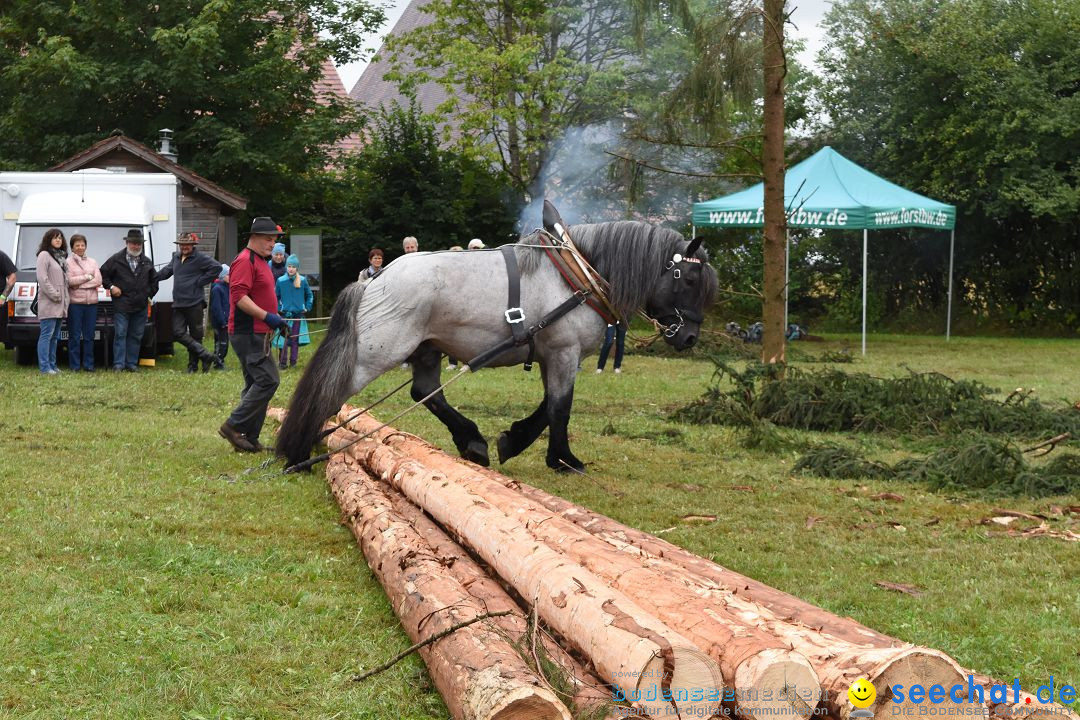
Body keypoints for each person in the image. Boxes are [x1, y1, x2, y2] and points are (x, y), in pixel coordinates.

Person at [219, 217, 290, 453]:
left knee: (254, 384)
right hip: (247, 332)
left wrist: (275, 318)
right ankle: (232, 426)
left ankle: (249, 439)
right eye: (268, 239)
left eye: (274, 240)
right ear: (254, 237)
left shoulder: (260, 261)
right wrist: (266, 317)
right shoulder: (244, 261)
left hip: (258, 331)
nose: (273, 244)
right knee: (268, 380)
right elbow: (240, 298)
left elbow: (261, 296)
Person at [155, 232, 223, 372]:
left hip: (194, 302)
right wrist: (152, 276)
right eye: (182, 244)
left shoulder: (200, 258)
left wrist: (200, 282)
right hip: (178, 302)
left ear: (193, 245)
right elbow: (166, 272)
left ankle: (192, 367)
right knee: (177, 333)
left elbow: (217, 268)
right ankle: (206, 355)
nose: (184, 247)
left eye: (187, 244)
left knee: (196, 335)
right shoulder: (176, 257)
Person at [100, 229, 159, 372]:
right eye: (133, 243)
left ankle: (131, 364)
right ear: (127, 243)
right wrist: (112, 287)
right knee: (120, 334)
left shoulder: (147, 262)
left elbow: (154, 282)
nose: (136, 246)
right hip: (122, 305)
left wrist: (147, 294)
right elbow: (103, 275)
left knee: (136, 335)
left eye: (138, 243)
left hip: (141, 306)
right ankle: (119, 364)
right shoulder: (116, 259)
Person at [34, 228, 69, 374]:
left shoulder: (61, 257)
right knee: (46, 335)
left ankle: (53, 365)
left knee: (55, 337)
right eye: (55, 237)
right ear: (48, 240)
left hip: (60, 303)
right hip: (49, 301)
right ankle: (44, 367)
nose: (58, 240)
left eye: (60, 237)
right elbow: (42, 278)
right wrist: (55, 294)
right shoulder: (44, 255)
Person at [66, 234, 102, 372]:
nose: (80, 247)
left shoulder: (93, 261)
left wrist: (80, 284)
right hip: (75, 304)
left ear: (86, 246)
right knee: (74, 336)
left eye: (82, 245)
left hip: (91, 304)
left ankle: (88, 365)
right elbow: (69, 281)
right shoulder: (67, 262)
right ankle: (74, 366)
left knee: (89, 336)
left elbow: (98, 281)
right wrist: (87, 277)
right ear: (72, 247)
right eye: (77, 245)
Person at [275, 254, 313, 369]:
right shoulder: (281, 281)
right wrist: (278, 309)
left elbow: (309, 295)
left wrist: (307, 306)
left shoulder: (302, 280)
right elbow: (275, 296)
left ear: (297, 268)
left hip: (297, 315)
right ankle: (282, 363)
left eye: (293, 267)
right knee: (284, 338)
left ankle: (293, 362)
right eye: (289, 266)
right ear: (286, 267)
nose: (291, 269)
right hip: (285, 315)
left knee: (295, 338)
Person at [210, 264, 230, 368]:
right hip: (220, 322)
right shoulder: (217, 289)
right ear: (222, 276)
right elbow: (216, 307)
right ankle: (218, 362)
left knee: (225, 343)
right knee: (221, 343)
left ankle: (219, 360)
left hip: (226, 321)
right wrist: (222, 322)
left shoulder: (227, 287)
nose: (231, 276)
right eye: (228, 274)